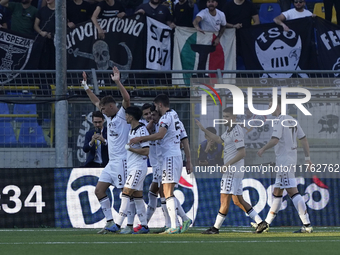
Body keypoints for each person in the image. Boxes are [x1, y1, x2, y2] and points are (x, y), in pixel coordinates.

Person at [130, 94, 192, 234]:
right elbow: (182, 138)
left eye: (153, 112)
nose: (151, 116)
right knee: (162, 192)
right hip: (165, 160)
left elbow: (161, 135)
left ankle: (174, 225)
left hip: (168, 158)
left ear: (159, 106)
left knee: (166, 192)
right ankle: (174, 222)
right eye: (147, 114)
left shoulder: (165, 118)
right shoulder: (174, 115)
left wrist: (140, 138)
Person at [195, 107, 264, 234]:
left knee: (224, 199)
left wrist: (227, 164)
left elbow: (242, 153)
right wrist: (203, 129)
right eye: (224, 116)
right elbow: (218, 139)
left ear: (234, 117)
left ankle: (215, 228)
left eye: (227, 116)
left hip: (232, 170)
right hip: (233, 170)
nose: (224, 119)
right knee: (238, 200)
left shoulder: (237, 131)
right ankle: (260, 223)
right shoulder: (228, 131)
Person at [81, 66, 130, 234]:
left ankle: (129, 224)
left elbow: (126, 98)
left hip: (123, 160)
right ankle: (110, 222)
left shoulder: (123, 114)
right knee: (99, 190)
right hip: (111, 163)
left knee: (125, 193)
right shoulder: (108, 116)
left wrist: (117, 82)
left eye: (103, 109)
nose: (101, 112)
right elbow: (95, 101)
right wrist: (86, 87)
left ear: (111, 106)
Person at [256, 97, 313, 234]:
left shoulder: (279, 121)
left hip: (284, 162)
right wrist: (307, 158)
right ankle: (266, 224)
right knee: (277, 192)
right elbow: (303, 139)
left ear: (277, 107)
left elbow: (275, 140)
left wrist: (263, 149)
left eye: (270, 106)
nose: (269, 109)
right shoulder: (292, 120)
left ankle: (307, 225)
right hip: (289, 160)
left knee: (293, 192)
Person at [106, 106, 151, 234]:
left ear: (131, 117)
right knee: (137, 196)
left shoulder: (141, 130)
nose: (125, 117)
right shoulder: (132, 130)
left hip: (138, 167)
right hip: (132, 167)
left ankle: (118, 224)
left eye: (126, 115)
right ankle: (144, 226)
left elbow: (146, 151)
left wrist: (131, 149)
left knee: (125, 193)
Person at [34, 0, 55, 70]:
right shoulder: (42, 10)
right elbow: (35, 25)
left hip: (55, 42)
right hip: (42, 42)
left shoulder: (61, 12)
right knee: (42, 63)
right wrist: (41, 32)